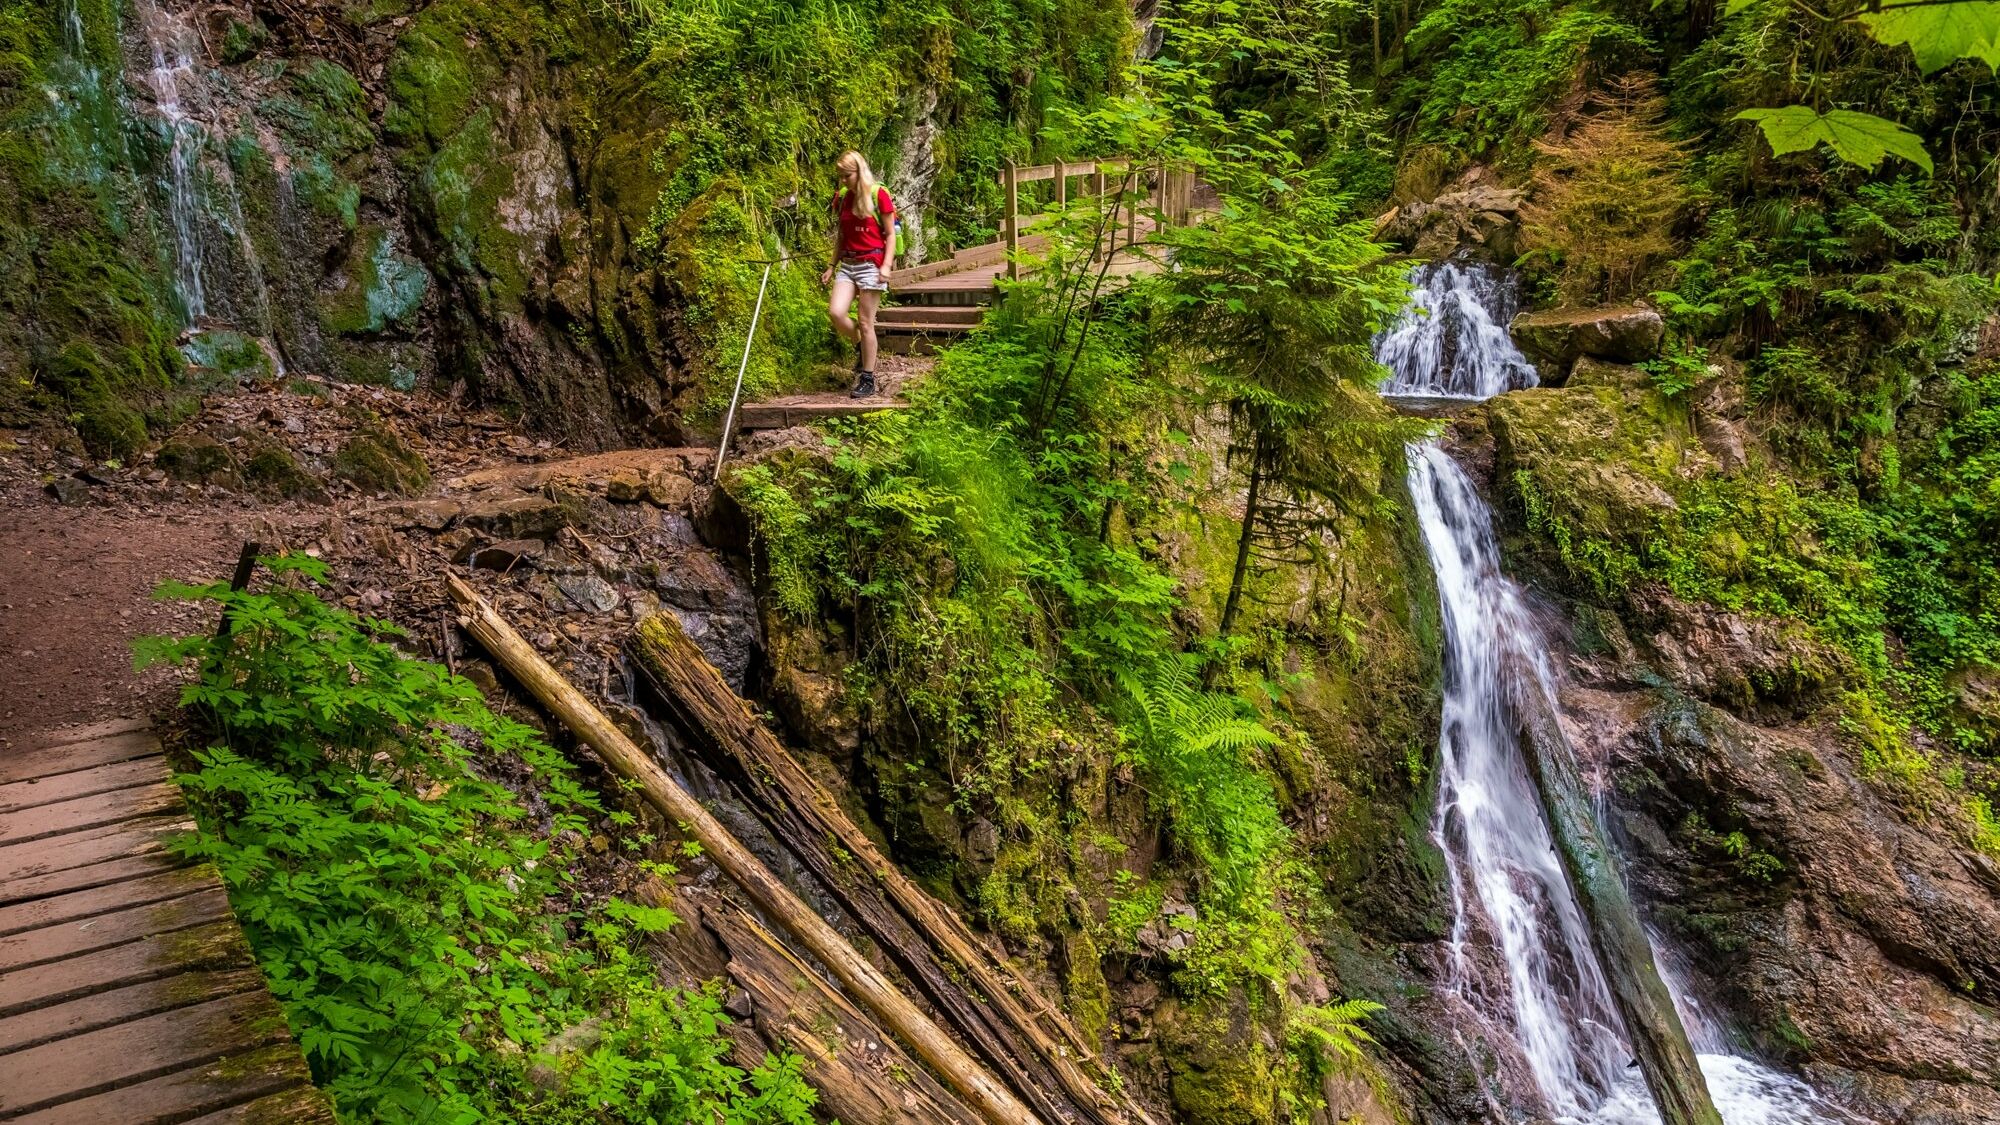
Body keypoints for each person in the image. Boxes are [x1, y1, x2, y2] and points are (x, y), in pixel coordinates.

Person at [822, 150, 897, 398]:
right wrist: (831, 266)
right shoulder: (843, 198)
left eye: (847, 176)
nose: (843, 181)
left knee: (866, 322)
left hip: (871, 265)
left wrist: (886, 265)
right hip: (848, 264)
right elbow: (842, 236)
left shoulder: (879, 195)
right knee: (836, 312)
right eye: (841, 176)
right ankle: (861, 348)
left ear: (859, 172)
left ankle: (868, 378)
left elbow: (890, 234)